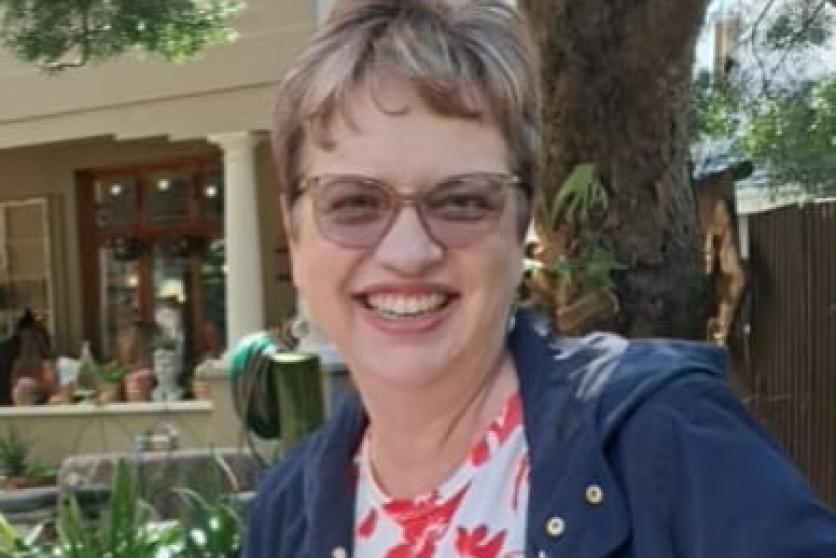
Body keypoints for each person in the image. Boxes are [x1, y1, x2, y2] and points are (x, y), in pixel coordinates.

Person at [244, 1, 836, 556]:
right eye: (354, 203)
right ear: (294, 233)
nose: (408, 251)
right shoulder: (287, 512)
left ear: (521, 226)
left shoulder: (667, 439)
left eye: (462, 201)